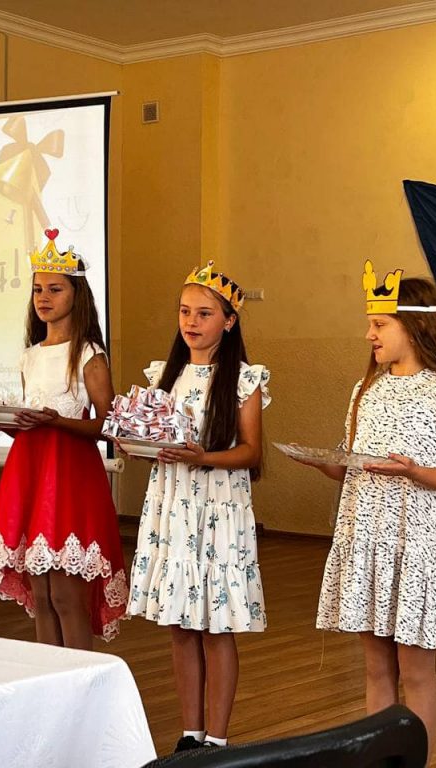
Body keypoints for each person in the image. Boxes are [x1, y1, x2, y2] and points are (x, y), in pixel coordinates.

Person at [289, 261, 436, 761]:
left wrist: (414, 472)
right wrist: (322, 462)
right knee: (376, 669)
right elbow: (353, 465)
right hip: (365, 539)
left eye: (379, 324)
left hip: (412, 545)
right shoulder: (365, 390)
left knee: (416, 672)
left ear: (412, 326)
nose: (368, 334)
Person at [124, 261, 270, 752]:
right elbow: (155, 436)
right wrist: (137, 444)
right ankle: (190, 733)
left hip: (219, 508)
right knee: (181, 623)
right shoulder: (164, 376)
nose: (191, 321)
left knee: (215, 624)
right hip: (174, 506)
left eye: (204, 313)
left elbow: (251, 452)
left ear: (229, 321)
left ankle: (218, 740)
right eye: (185, 311)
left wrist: (202, 457)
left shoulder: (244, 380)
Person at [0, 231, 127, 648]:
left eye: (55, 289)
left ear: (76, 295)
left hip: (69, 478)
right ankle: (52, 675)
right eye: (38, 289)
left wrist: (58, 422)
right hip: (31, 472)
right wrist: (6, 423)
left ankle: (82, 677)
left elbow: (109, 424)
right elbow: (32, 421)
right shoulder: (30, 356)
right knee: (41, 595)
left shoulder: (88, 354)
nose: (43, 297)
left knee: (65, 595)